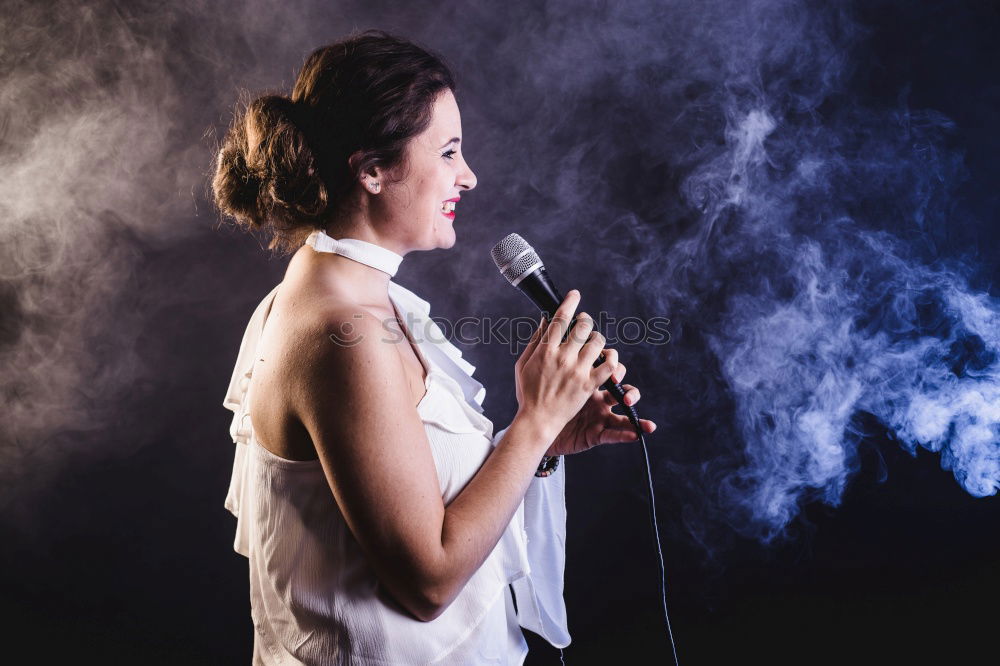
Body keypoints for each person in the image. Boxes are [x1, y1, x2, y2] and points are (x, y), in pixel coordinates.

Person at [213, 30, 655, 665]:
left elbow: (417, 494)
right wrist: (531, 424)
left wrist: (544, 440)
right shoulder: (344, 336)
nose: (468, 177)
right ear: (371, 170)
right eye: (448, 153)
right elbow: (428, 582)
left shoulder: (351, 295)